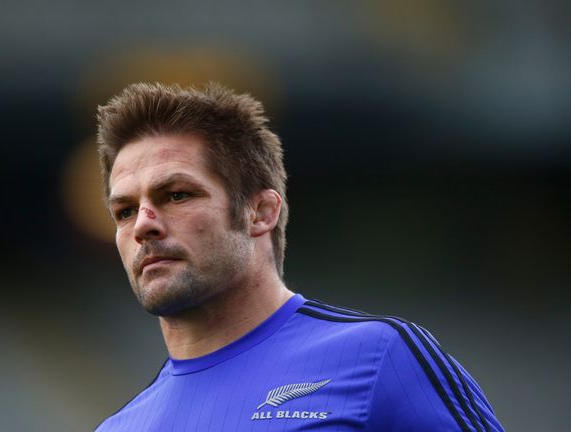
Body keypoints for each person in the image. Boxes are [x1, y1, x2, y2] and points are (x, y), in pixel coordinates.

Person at [94, 82, 503, 431]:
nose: (143, 224)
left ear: (260, 213)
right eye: (124, 211)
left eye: (177, 195)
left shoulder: (380, 358)